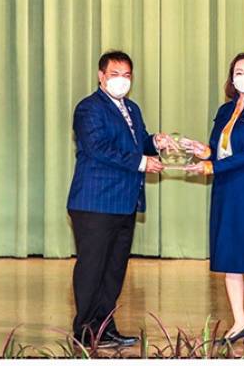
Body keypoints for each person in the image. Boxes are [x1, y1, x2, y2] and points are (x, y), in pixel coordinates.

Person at [67, 50, 177, 348]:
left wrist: (155, 142)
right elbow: (98, 148)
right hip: (95, 203)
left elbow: (137, 143)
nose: (121, 80)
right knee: (92, 268)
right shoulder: (89, 109)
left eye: (126, 75)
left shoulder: (132, 108)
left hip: (124, 203)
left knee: (114, 270)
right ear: (101, 76)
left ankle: (105, 327)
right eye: (115, 74)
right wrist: (142, 162)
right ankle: (84, 331)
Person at [184, 53, 244, 347]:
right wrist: (203, 151)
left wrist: (213, 166)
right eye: (239, 72)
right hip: (225, 187)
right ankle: (239, 322)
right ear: (231, 77)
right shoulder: (225, 110)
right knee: (230, 256)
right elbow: (218, 148)